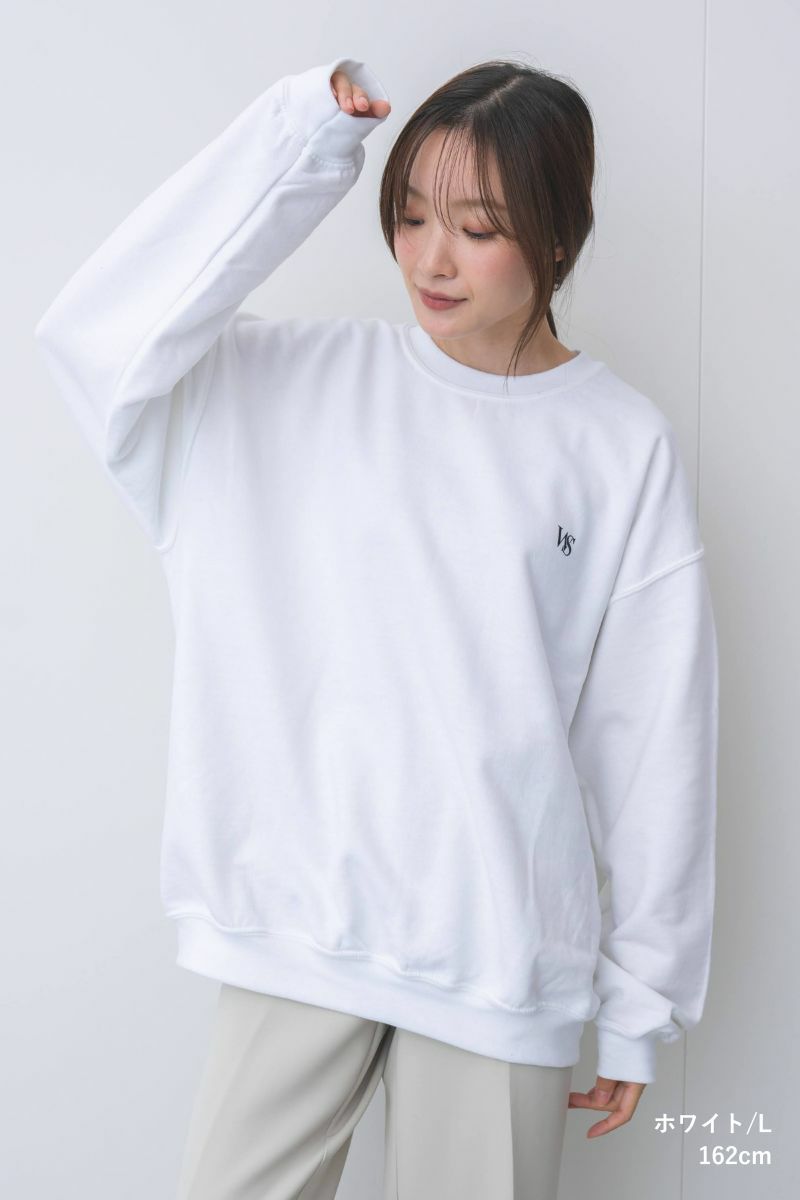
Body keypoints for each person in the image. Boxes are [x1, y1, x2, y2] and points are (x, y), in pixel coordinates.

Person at [33, 53, 719, 1199]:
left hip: (499, 958)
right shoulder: (271, 385)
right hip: (292, 932)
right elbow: (96, 339)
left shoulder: (616, 443)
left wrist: (640, 1003)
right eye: (407, 216)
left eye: (476, 227)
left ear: (556, 234)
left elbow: (651, 739)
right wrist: (296, 140)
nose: (429, 259)